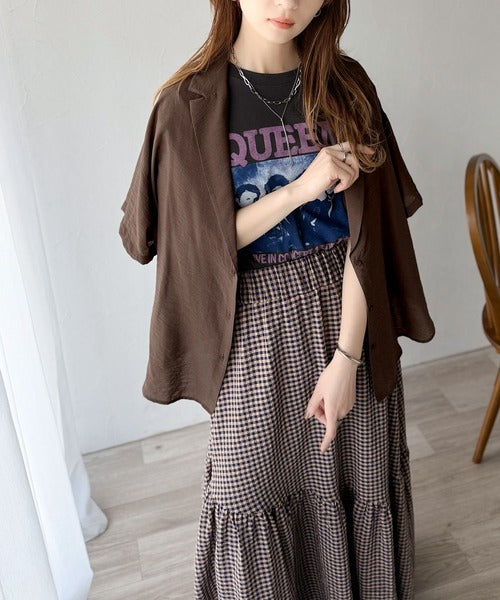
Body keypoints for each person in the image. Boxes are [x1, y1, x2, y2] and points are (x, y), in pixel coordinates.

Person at [119, 0, 434, 598]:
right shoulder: (186, 104)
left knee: (356, 467)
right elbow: (195, 244)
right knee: (246, 489)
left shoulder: (347, 87)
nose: (286, 5)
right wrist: (300, 189)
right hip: (248, 315)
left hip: (348, 305)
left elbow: (367, 238)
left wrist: (346, 359)